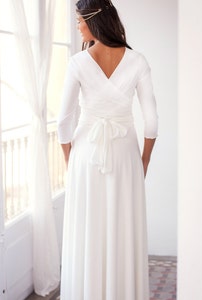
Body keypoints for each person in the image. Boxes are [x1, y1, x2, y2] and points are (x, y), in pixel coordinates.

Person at [57, 0, 158, 299]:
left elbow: (64, 121)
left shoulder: (78, 62)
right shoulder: (138, 60)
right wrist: (144, 161)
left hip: (86, 154)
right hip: (126, 155)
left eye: (79, 20)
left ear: (93, 20)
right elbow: (151, 122)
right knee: (122, 227)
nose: (77, 26)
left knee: (88, 230)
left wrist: (69, 159)